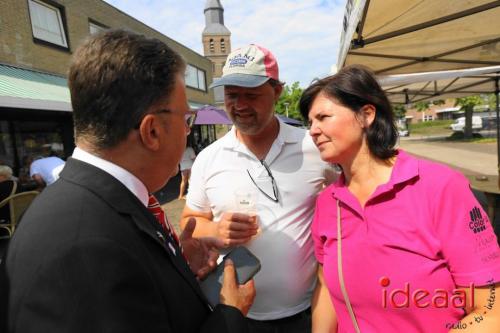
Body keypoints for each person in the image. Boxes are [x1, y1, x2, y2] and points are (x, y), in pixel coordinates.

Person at [0, 29, 255, 333]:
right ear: (153, 131)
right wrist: (230, 314)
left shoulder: (91, 202)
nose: (188, 132)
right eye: (186, 120)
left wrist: (173, 265)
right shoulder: (87, 248)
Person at [299, 65, 500, 333]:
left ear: (366, 115)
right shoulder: (328, 203)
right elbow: (326, 292)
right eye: (310, 122)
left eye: (323, 117)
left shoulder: (439, 187)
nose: (313, 130)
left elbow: (490, 310)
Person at [181, 44, 335, 332]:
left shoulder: (313, 147)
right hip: (236, 317)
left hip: (305, 314)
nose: (239, 105)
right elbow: (190, 219)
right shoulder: (209, 158)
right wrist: (215, 230)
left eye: (251, 95)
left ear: (277, 92)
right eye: (231, 95)